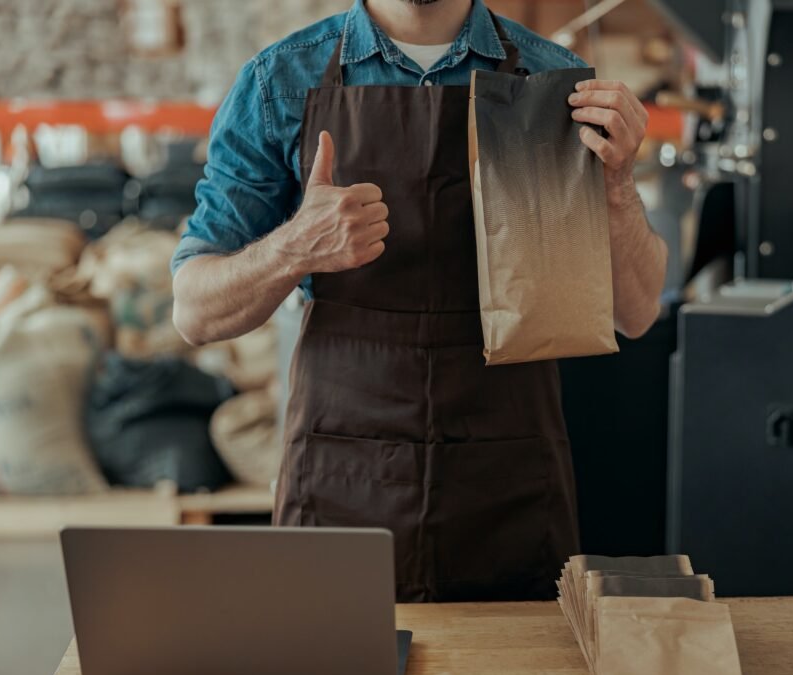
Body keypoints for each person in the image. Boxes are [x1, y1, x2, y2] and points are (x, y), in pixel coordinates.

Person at [171, 0, 668, 602]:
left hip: (507, 475)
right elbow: (195, 311)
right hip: (342, 471)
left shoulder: (556, 82)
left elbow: (637, 311)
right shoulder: (279, 83)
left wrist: (615, 187)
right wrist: (293, 249)